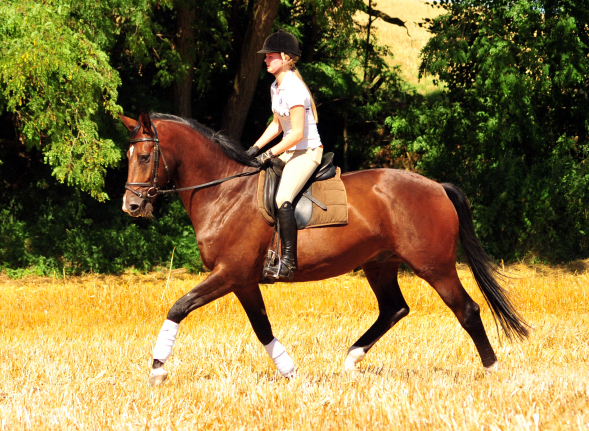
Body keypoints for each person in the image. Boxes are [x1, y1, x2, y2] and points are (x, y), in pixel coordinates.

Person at [245, 29, 323, 280]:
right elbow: (278, 125)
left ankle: (288, 261)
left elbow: (298, 133)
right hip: (289, 150)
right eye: (266, 57)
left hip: (307, 152)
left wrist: (268, 154)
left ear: (286, 58)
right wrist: (255, 149)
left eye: (270, 56)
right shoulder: (275, 87)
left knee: (282, 199)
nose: (266, 60)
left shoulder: (293, 88)